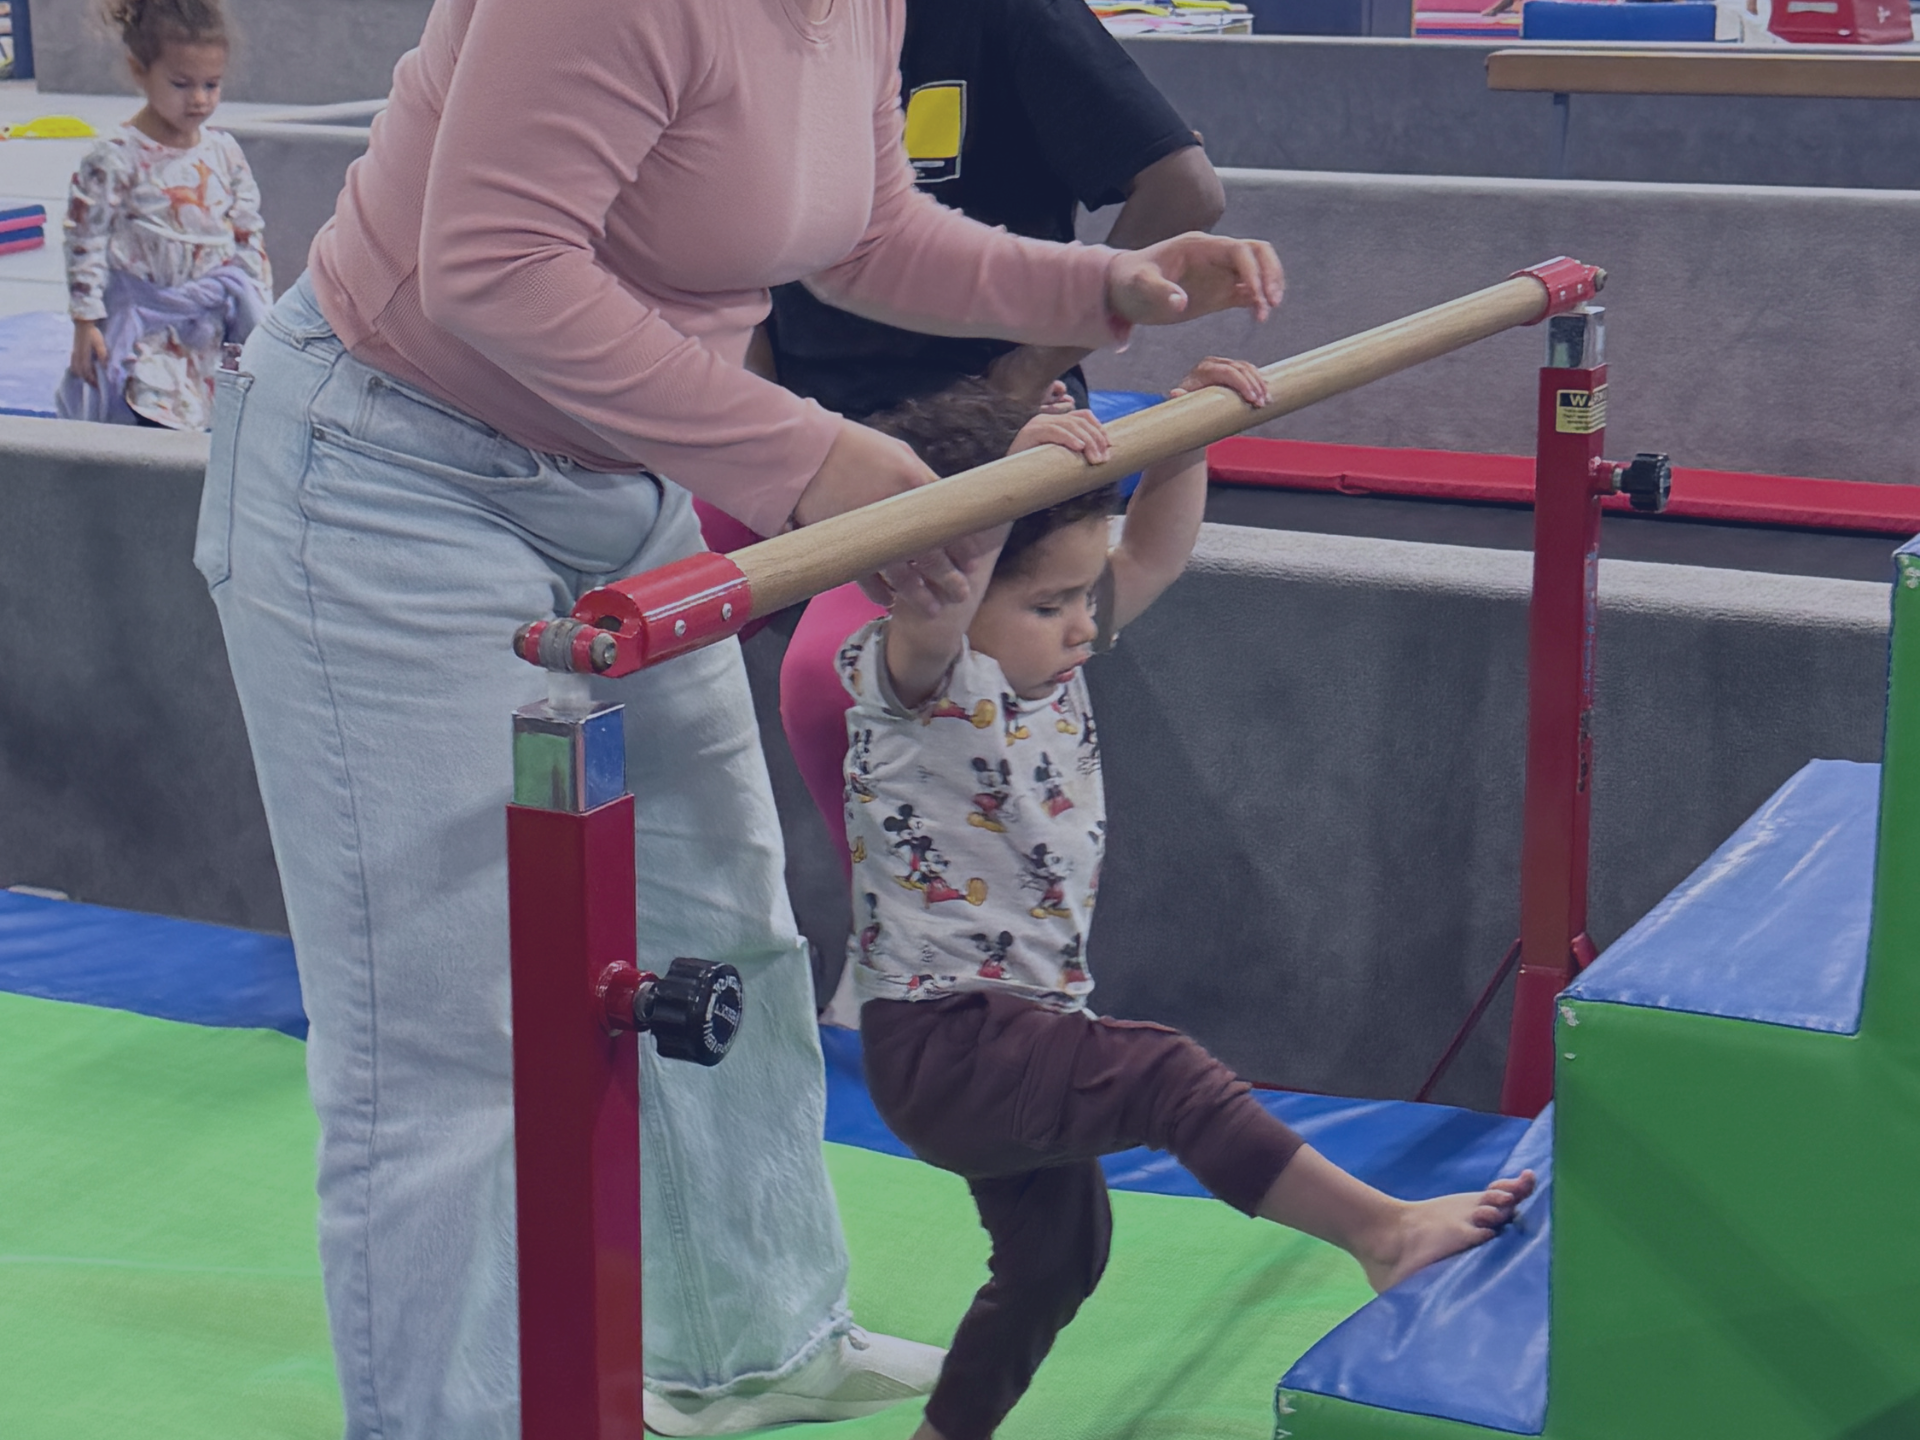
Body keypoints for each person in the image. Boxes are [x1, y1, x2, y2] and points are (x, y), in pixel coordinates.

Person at [194, 0, 1285, 1435]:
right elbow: (488, 268)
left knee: (730, 927)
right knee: (446, 1035)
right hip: (390, 469)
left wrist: (1103, 290)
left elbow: (865, 227)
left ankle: (750, 1345)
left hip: (618, 477)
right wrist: (815, 458)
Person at [836, 361, 1539, 1440]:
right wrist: (1019, 470)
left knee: (1058, 1262)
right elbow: (958, 565)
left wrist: (1180, 438)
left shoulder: (1038, 661)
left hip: (1023, 1028)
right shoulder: (922, 674)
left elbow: (1151, 553)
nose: (1082, 624)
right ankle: (1383, 1233)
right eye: (1050, 602)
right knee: (1165, 1073)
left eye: (1079, 597)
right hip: (948, 1042)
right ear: (944, 580)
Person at [763, 0, 1224, 418]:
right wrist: (767, 416)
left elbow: (1185, 192)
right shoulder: (756, 27)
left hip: (985, 405)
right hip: (804, 410)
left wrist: (1028, 369)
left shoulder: (1013, 14)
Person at [59, 0, 269, 429]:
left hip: (212, 324)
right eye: (181, 84)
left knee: (217, 425)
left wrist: (258, 307)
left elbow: (248, 231)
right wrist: (86, 319)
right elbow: (86, 238)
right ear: (139, 70)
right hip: (147, 330)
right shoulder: (116, 158)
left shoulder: (223, 151)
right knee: (155, 418)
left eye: (212, 85)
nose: (199, 99)